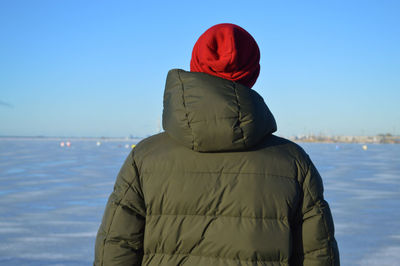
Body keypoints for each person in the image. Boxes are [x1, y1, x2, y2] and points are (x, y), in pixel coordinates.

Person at [94, 23, 340, 266]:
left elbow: (116, 250)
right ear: (252, 74)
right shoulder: (293, 163)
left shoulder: (145, 158)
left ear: (195, 66)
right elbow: (318, 255)